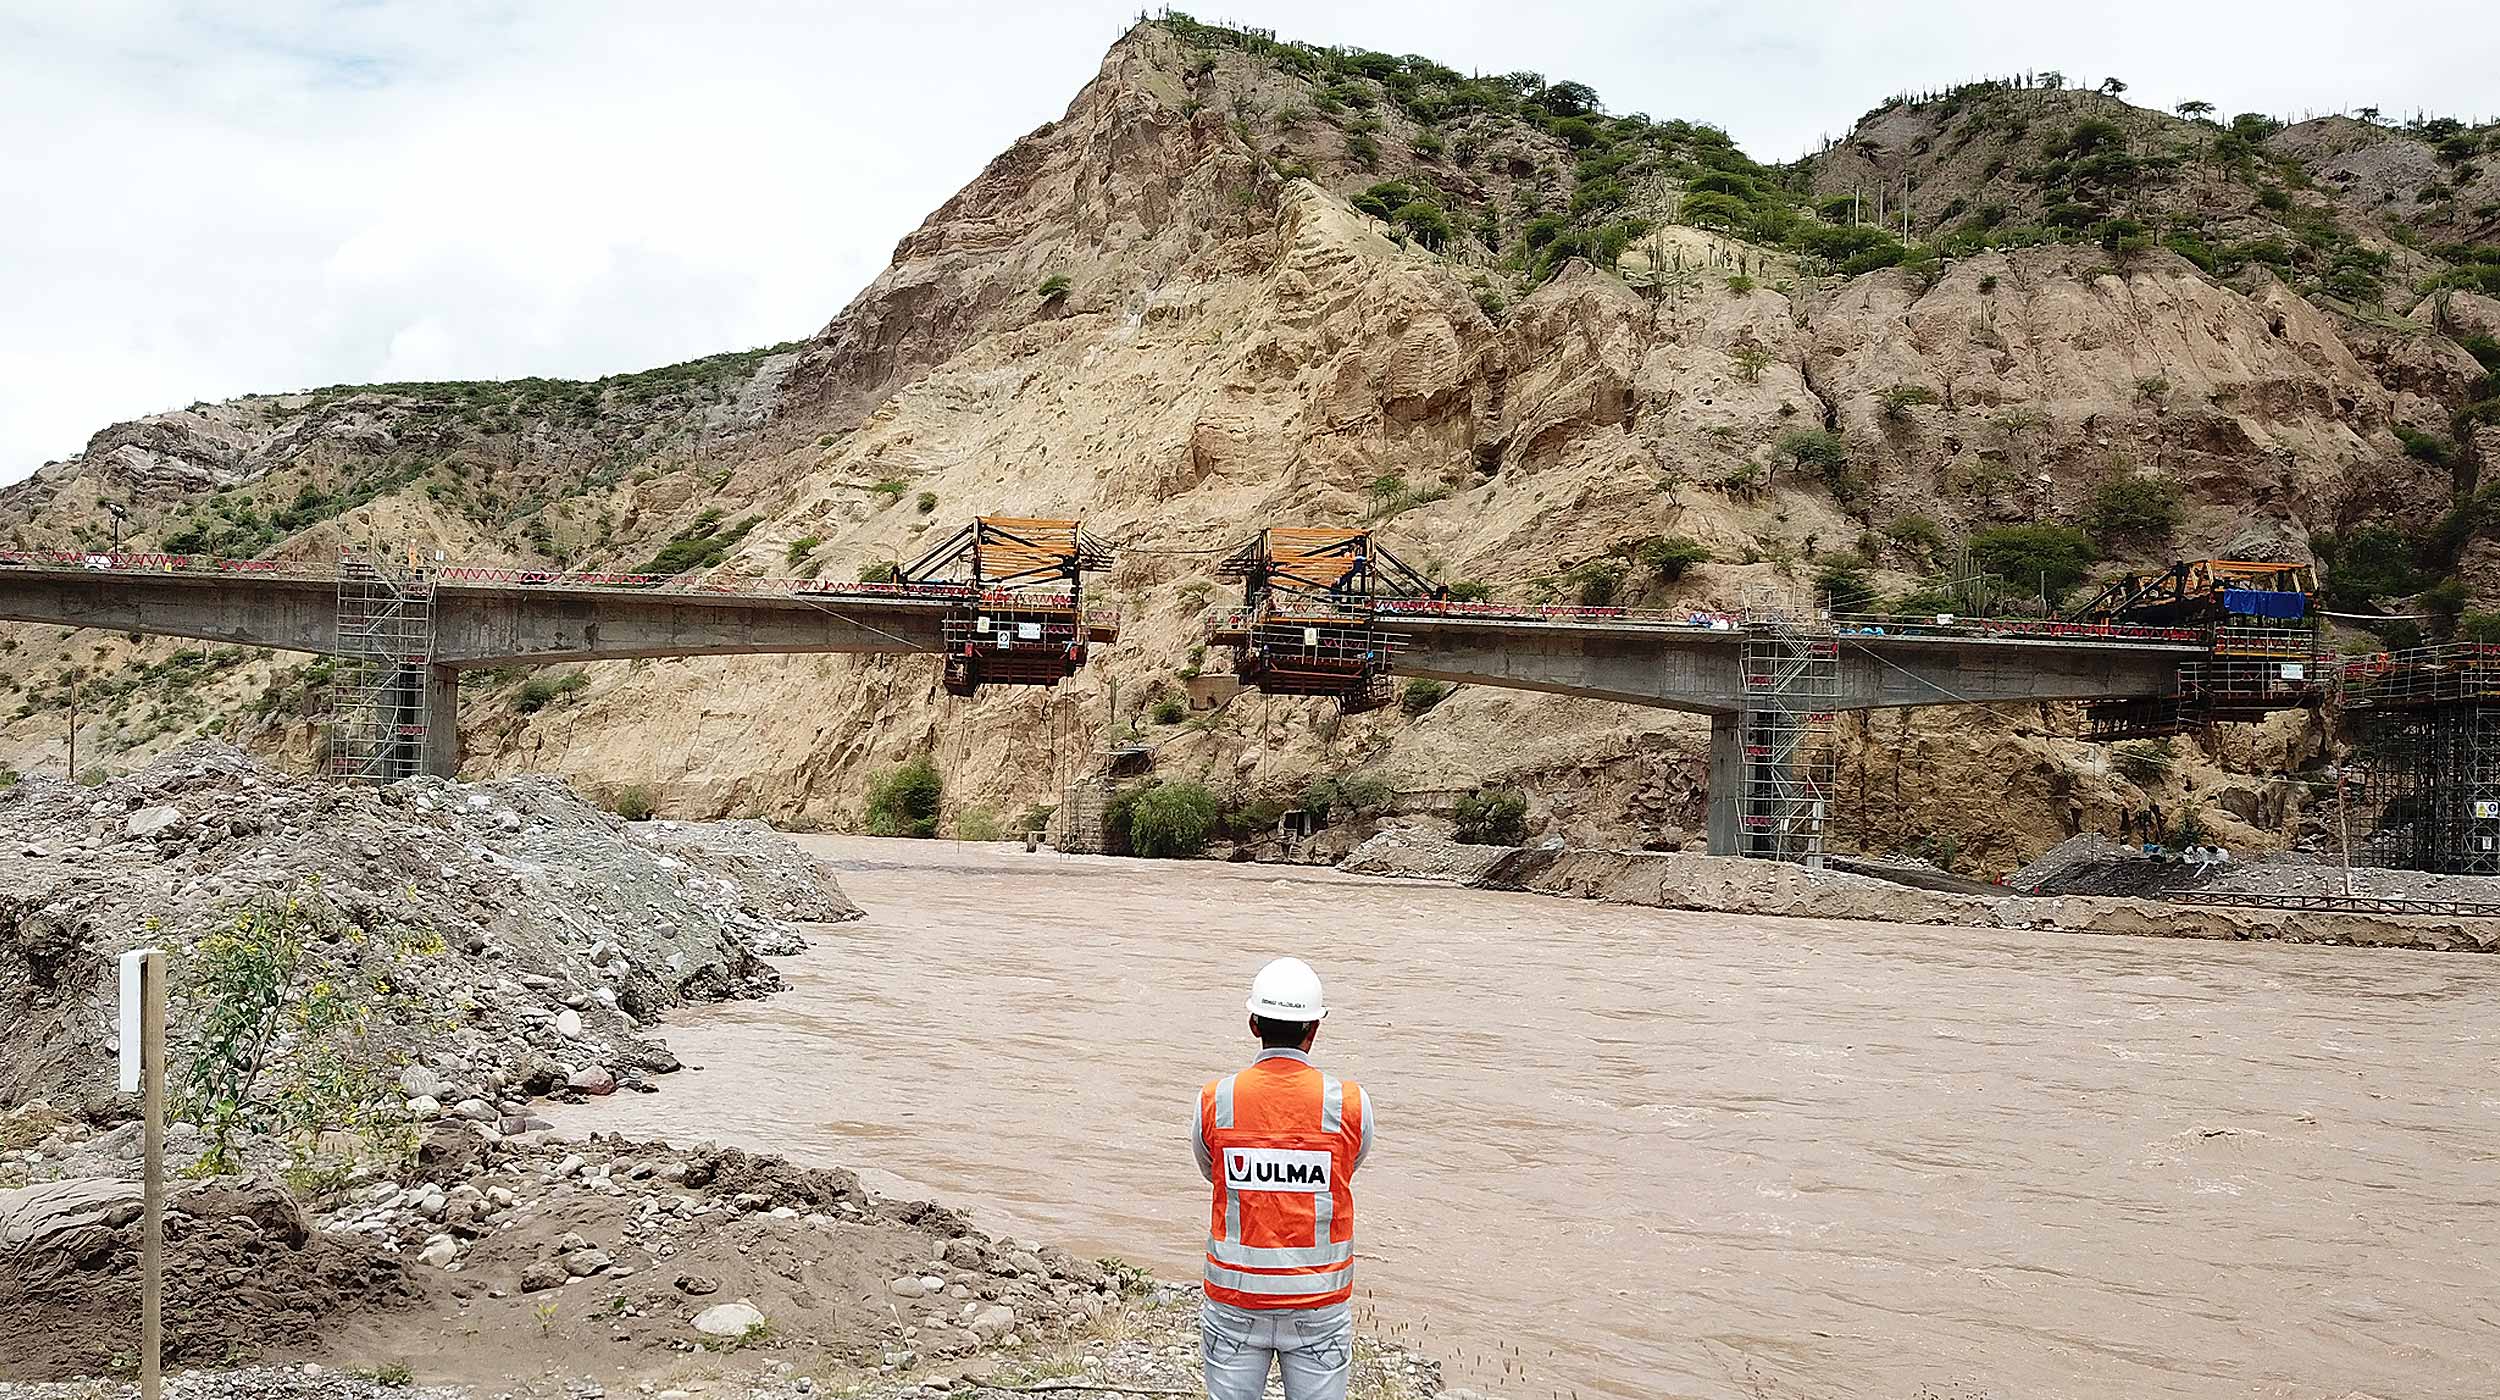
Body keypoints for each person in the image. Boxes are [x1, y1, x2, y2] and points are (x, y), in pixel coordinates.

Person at [1191, 957, 1375, 1400]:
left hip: (1235, 1300)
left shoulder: (1216, 1099)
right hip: (1318, 1303)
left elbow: (1211, 1171)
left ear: (1254, 1023)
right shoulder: (1350, 1103)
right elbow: (1347, 1168)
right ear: (1314, 1030)